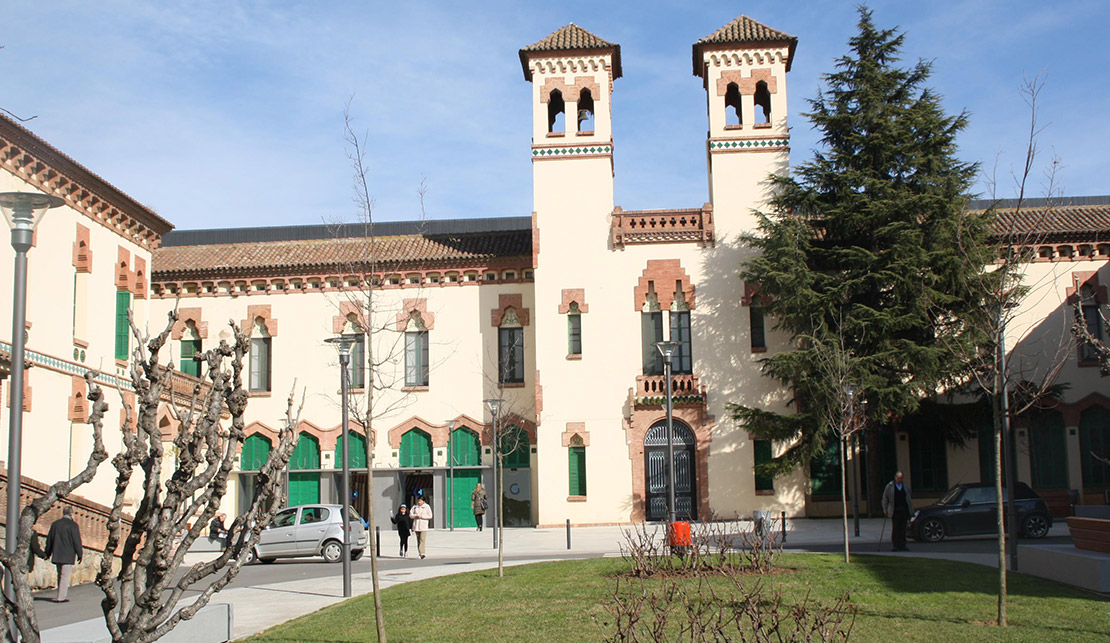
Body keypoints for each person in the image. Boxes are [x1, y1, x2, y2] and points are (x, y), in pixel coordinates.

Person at [44, 506, 82, 603]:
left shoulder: (55, 524)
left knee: (60, 575)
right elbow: (76, 541)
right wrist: (80, 554)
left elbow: (49, 540)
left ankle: (59, 594)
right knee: (65, 576)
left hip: (57, 553)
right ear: (71, 514)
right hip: (68, 554)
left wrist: (47, 553)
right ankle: (61, 597)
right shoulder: (73, 525)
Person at [881, 471, 913, 552]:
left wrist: (910, 509)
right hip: (895, 510)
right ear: (895, 478)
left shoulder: (905, 486)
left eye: (901, 478)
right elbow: (885, 499)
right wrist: (885, 509)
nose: (900, 480)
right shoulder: (890, 486)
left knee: (903, 528)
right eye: (898, 478)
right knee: (896, 528)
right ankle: (895, 545)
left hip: (904, 510)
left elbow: (909, 497)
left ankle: (903, 545)